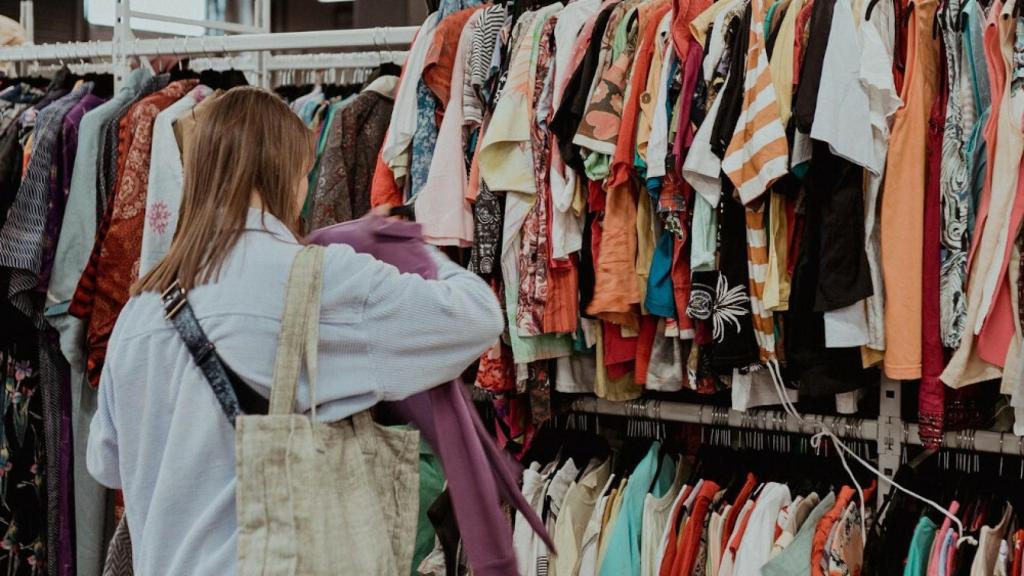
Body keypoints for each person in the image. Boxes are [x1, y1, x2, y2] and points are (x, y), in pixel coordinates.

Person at [86, 86, 504, 575]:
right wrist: (407, 245)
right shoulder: (318, 280)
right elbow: (475, 316)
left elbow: (108, 464)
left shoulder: (141, 308)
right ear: (285, 173)